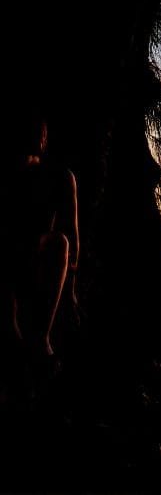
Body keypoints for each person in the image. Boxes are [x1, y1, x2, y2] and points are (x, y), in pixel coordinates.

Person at [5, 114, 79, 365]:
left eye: (44, 133)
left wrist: (70, 289)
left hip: (41, 251)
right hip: (12, 252)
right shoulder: (10, 176)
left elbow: (72, 232)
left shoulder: (60, 176)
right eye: (36, 132)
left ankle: (41, 338)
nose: (41, 138)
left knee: (61, 243)